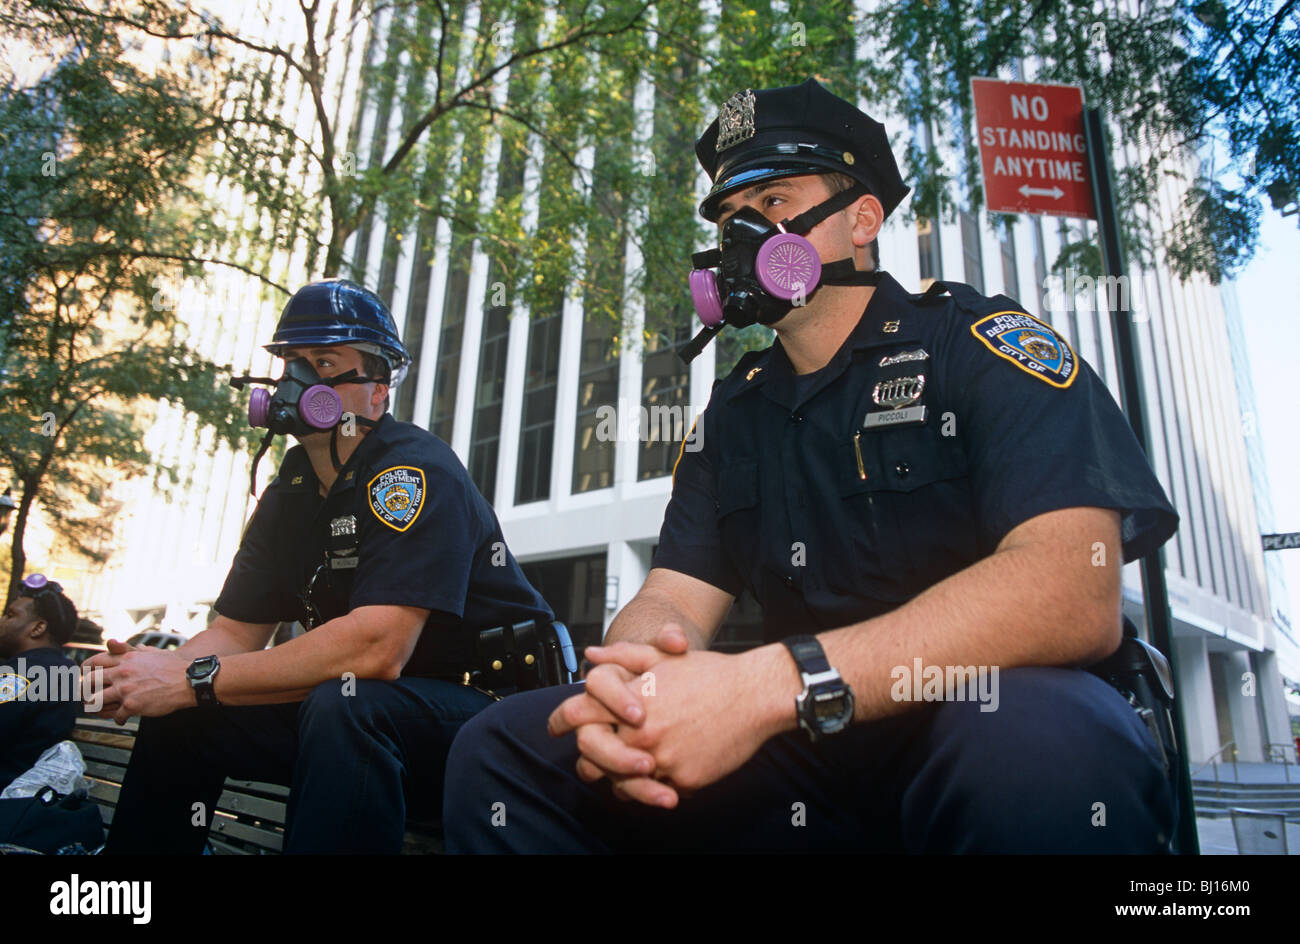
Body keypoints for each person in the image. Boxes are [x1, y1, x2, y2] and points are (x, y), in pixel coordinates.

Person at [442, 78, 1180, 853]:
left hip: (980, 718)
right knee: (508, 747)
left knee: (1037, 743)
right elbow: (675, 599)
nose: (739, 236)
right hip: (814, 747)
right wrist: (635, 686)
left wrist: (772, 685)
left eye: (771, 204)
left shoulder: (979, 343)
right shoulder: (735, 413)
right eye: (729, 215)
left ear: (862, 219)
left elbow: (1072, 587)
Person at [90, 278, 553, 854]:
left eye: (325, 361)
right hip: (371, 724)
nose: (298, 379)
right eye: (291, 362)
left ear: (377, 389)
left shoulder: (412, 470)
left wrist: (189, 679)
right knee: (189, 711)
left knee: (346, 701)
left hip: (492, 724)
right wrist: (148, 676)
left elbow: (376, 650)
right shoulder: (291, 489)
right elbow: (234, 633)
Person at [0, 575, 81, 791]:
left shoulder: (27, 673)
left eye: (9, 615)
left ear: (37, 628)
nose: (2, 621)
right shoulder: (58, 669)